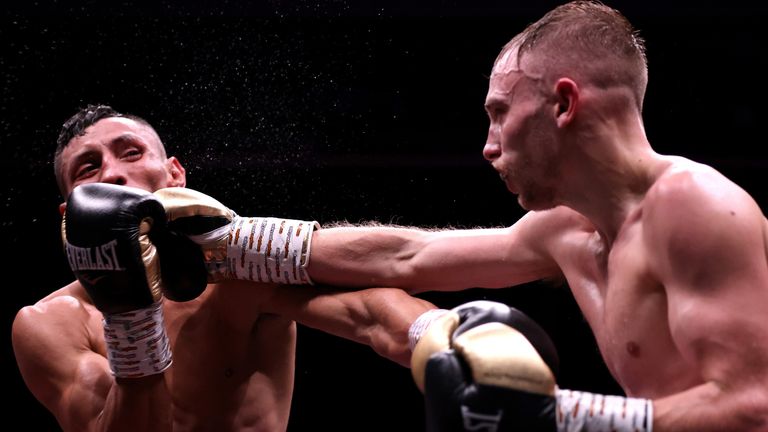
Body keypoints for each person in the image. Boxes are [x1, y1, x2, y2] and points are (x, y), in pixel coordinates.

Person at [299, 1, 768, 430]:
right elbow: (408, 257)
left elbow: (754, 407)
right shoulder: (566, 227)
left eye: (500, 112)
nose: (489, 145)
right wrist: (240, 243)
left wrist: (556, 417)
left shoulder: (693, 205)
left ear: (563, 104)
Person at [11, 104, 436, 432]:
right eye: (89, 168)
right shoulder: (50, 323)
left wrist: (441, 337)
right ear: (70, 213)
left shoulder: (239, 269)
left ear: (175, 175)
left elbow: (369, 310)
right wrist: (129, 320)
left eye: (131, 153)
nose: (114, 174)